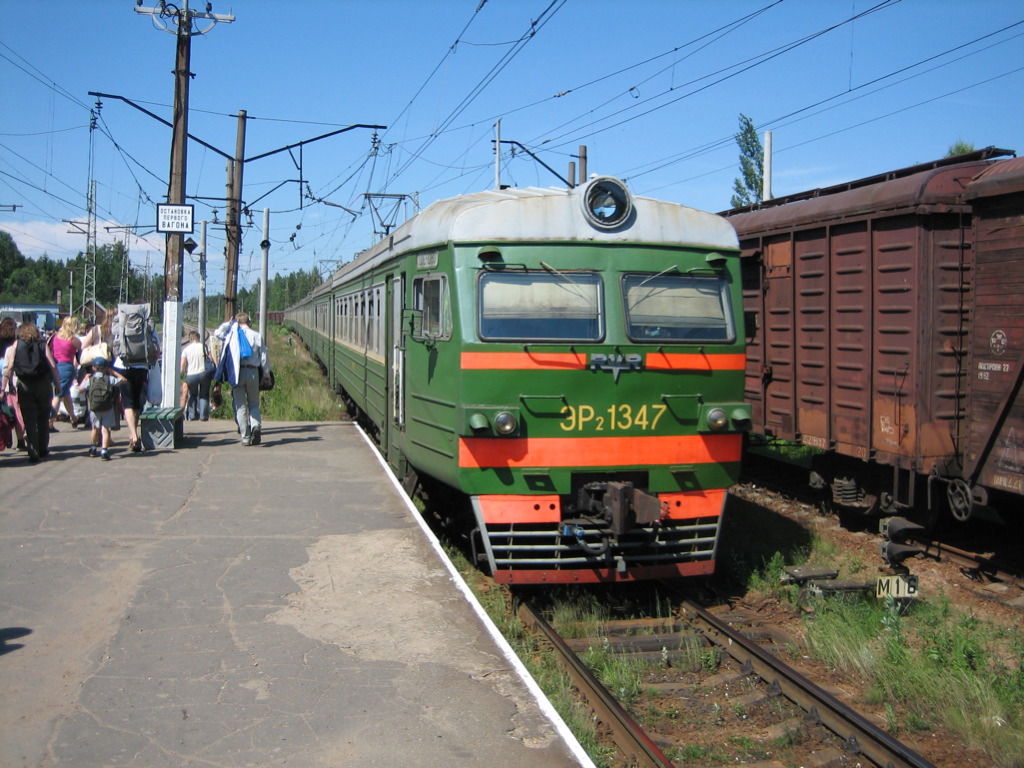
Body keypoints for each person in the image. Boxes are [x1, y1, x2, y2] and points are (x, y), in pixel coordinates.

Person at [1, 322, 60, 462]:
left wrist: (5, 386)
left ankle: (33, 451)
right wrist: (58, 384)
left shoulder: (17, 344)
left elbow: (9, 367)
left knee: (29, 418)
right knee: (43, 417)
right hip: (43, 383)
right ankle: (43, 448)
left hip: (24, 384)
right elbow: (52, 365)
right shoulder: (42, 344)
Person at [214, 313, 271, 446]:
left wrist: (227, 324)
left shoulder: (231, 335)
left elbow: (217, 333)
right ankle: (255, 426)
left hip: (238, 373)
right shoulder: (257, 336)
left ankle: (245, 437)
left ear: (236, 322)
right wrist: (266, 374)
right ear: (249, 322)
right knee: (254, 404)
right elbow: (264, 357)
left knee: (240, 406)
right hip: (253, 372)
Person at [112, 303, 160, 453]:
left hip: (122, 365)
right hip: (141, 366)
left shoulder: (121, 319)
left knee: (127, 402)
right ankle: (134, 434)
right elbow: (157, 348)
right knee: (138, 401)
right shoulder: (146, 321)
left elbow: (114, 342)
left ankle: (133, 435)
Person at [79, 356, 126, 460]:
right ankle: (104, 451)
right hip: (107, 407)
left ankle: (93, 448)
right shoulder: (109, 379)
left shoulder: (90, 380)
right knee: (105, 429)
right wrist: (113, 372)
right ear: (106, 368)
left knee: (95, 429)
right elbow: (124, 380)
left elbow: (80, 390)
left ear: (93, 368)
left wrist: (85, 379)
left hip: (94, 408)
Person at [50, 315, 83, 429]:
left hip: (56, 366)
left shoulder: (56, 337)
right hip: (67, 367)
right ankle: (50, 422)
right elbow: (81, 349)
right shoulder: (74, 340)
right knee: (59, 395)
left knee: (66, 394)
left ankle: (73, 417)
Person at [0, 317, 27, 450]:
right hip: (10, 375)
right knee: (15, 410)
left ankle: (5, 438)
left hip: (3, 374)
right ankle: (20, 438)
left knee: (5, 411)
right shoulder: (16, 343)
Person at [180, 330, 212, 421]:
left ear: (190, 338)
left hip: (191, 375)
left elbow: (182, 365)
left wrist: (182, 375)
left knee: (192, 394)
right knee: (204, 394)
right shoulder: (204, 347)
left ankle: (192, 415)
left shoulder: (186, 349)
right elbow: (211, 358)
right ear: (198, 338)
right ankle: (204, 416)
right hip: (204, 374)